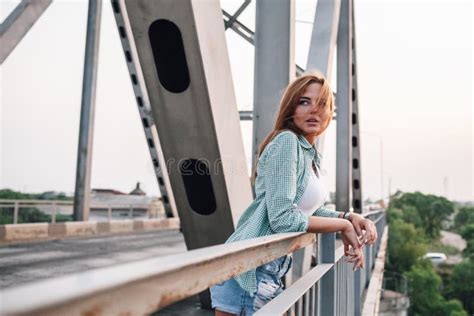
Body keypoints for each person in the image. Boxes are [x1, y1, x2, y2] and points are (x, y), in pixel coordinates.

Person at [210, 71, 378, 315]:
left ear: (330, 113)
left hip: (269, 269)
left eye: (322, 104)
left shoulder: (307, 153)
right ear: (291, 108)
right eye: (304, 102)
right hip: (249, 274)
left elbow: (308, 210)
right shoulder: (287, 142)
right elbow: (283, 218)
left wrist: (348, 217)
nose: (314, 110)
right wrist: (342, 227)